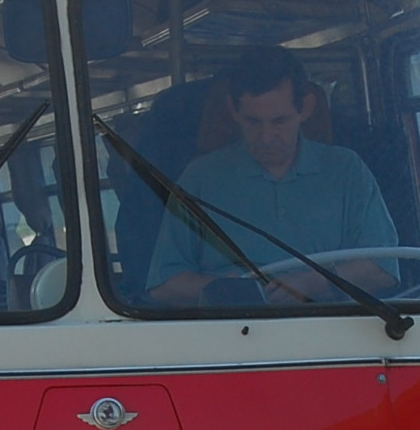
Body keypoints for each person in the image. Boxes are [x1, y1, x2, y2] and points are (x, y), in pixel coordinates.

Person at [145, 47, 398, 306]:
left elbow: (382, 269)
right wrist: (229, 291)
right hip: (232, 326)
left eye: (279, 121)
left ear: (306, 108)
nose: (266, 138)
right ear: (233, 110)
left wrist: (309, 284)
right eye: (253, 122)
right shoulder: (200, 177)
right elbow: (164, 285)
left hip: (332, 325)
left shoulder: (346, 170)